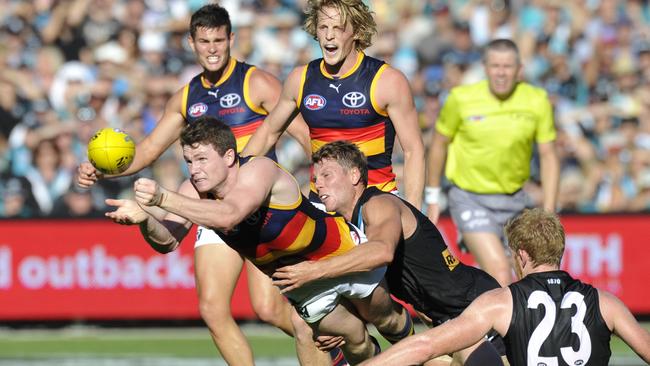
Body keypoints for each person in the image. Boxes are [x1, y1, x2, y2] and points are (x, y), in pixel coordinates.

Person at [76, 4, 314, 365]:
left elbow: (306, 137)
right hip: (210, 205)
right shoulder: (187, 97)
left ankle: (321, 339)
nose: (213, 48)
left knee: (267, 309)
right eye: (204, 41)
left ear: (232, 39)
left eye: (219, 39)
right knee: (212, 309)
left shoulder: (257, 83)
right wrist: (100, 170)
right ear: (191, 43)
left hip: (258, 209)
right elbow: (150, 150)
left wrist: (322, 187)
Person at [106, 116, 414, 365]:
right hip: (304, 286)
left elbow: (229, 214)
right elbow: (168, 242)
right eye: (189, 161)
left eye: (201, 159)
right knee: (357, 344)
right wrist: (146, 221)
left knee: (386, 318)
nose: (194, 170)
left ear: (229, 156)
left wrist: (162, 197)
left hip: (341, 255)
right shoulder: (194, 191)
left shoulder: (258, 170)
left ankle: (433, 358)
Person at [272, 141, 505, 366]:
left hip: (475, 307)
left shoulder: (379, 204)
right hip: (444, 323)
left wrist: (315, 271)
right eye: (315, 179)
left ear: (354, 176)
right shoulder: (344, 228)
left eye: (327, 176)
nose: (318, 184)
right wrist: (336, 325)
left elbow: (382, 252)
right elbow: (360, 283)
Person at [358, 208, 650, 366]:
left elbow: (425, 345)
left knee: (467, 346)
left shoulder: (501, 302)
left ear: (521, 254)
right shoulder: (605, 302)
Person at [241, 0, 424, 209]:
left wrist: (415, 214)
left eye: (338, 28)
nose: (329, 35)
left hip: (376, 202)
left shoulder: (387, 81)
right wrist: (233, 182)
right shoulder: (300, 79)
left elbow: (413, 150)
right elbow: (268, 134)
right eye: (323, 27)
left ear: (356, 30)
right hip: (321, 204)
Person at [426, 38, 560, 286]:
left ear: (519, 69)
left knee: (529, 276)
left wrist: (548, 211)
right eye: (495, 66)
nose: (501, 73)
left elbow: (549, 155)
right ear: (485, 68)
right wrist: (432, 196)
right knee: (499, 271)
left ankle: (487, 319)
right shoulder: (460, 99)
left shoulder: (536, 100)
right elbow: (438, 144)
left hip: (516, 200)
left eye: (507, 66)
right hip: (470, 197)